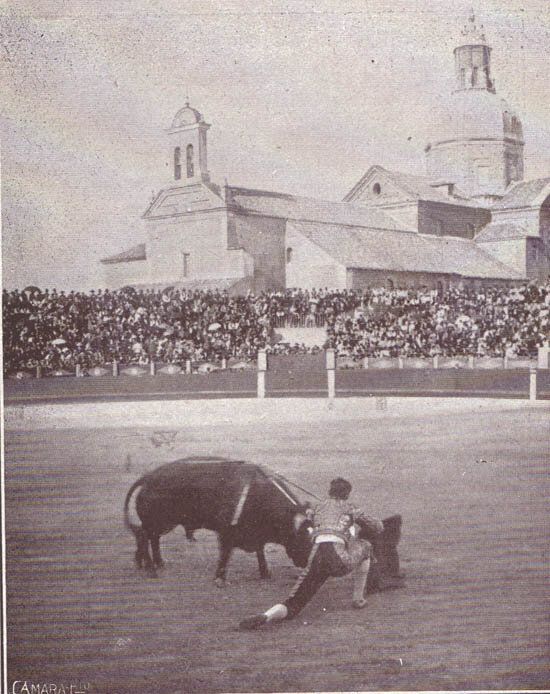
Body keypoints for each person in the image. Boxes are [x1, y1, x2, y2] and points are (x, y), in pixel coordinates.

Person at [239, 477, 384, 630]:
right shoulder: (350, 508)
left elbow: (304, 522)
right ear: (347, 494)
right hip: (339, 558)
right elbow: (378, 526)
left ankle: (267, 615)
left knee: (293, 604)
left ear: (330, 491)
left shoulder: (316, 507)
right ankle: (358, 599)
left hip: (316, 558)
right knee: (366, 546)